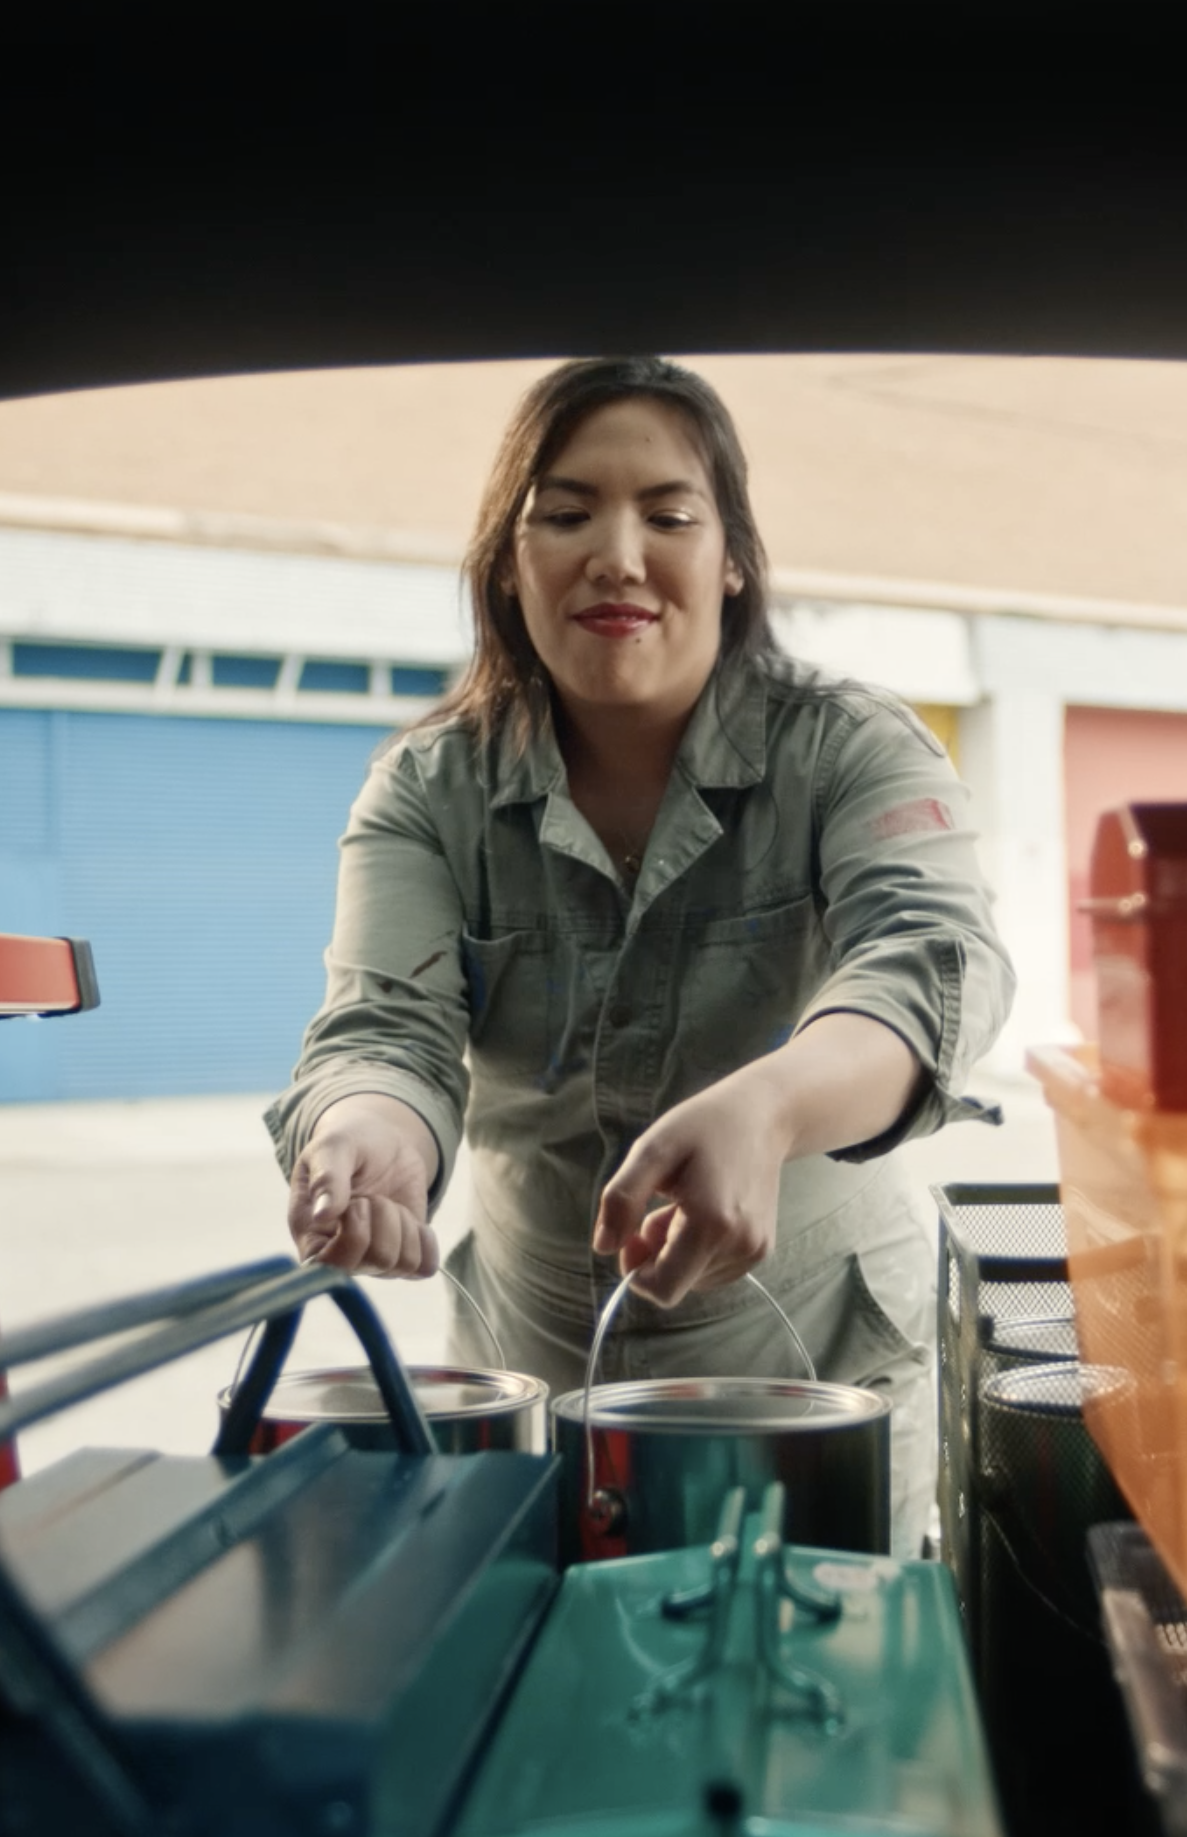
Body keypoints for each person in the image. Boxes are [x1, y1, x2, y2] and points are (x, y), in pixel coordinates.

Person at [264, 357, 1012, 1553]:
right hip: (536, 1366)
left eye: (668, 514)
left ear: (732, 560)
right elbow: (382, 1027)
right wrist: (368, 1138)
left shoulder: (851, 745)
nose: (617, 554)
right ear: (512, 566)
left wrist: (770, 1107)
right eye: (565, 514)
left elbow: (928, 961)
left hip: (817, 1369)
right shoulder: (426, 788)